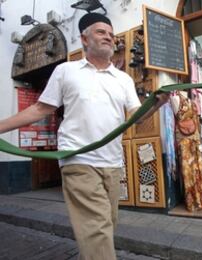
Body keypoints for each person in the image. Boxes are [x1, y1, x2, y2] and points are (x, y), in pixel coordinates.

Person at [0, 13, 169, 260]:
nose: (109, 38)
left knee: (104, 225)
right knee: (97, 228)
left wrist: (157, 104)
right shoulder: (65, 71)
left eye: (111, 35)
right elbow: (40, 109)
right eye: (101, 32)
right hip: (77, 159)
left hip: (112, 163)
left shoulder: (123, 79)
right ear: (84, 38)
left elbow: (136, 116)